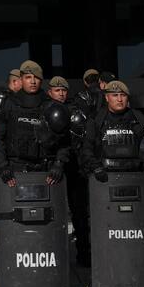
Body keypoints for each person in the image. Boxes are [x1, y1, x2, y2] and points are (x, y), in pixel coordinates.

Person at [0, 61, 68, 188]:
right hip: (15, 172)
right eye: (28, 77)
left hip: (46, 172)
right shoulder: (9, 104)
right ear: (21, 79)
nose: (33, 81)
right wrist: (2, 166)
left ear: (41, 80)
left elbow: (64, 141)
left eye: (36, 77)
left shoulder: (50, 105)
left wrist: (59, 164)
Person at [46, 76, 92, 267]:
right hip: (50, 167)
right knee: (51, 213)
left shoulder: (75, 112)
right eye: (57, 90)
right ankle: (52, 255)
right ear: (50, 92)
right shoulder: (42, 110)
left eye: (64, 90)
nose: (61, 93)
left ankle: (83, 253)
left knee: (80, 214)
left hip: (74, 167)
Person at [80, 80, 144, 185]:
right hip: (104, 176)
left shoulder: (138, 118)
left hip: (135, 175)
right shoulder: (96, 119)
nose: (119, 99)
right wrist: (95, 167)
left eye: (123, 95)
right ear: (107, 98)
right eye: (115, 95)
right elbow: (87, 147)